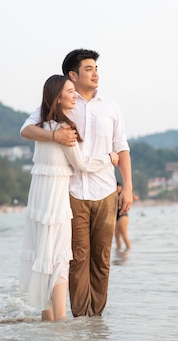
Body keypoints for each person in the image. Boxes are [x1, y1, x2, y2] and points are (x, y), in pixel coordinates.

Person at [21, 48, 133, 317]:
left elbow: (122, 147)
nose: (95, 73)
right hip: (71, 192)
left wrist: (127, 187)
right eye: (88, 69)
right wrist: (55, 137)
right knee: (77, 258)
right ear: (73, 74)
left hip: (106, 190)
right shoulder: (62, 104)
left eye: (96, 68)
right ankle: (81, 318)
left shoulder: (111, 107)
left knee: (102, 258)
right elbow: (27, 129)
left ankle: (96, 321)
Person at [115, 182, 139, 251]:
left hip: (123, 216)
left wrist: (132, 196)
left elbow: (135, 198)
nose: (117, 188)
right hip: (115, 216)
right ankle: (118, 252)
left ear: (121, 187)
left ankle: (128, 251)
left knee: (124, 235)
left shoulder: (124, 194)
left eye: (118, 186)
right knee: (116, 236)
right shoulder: (114, 195)